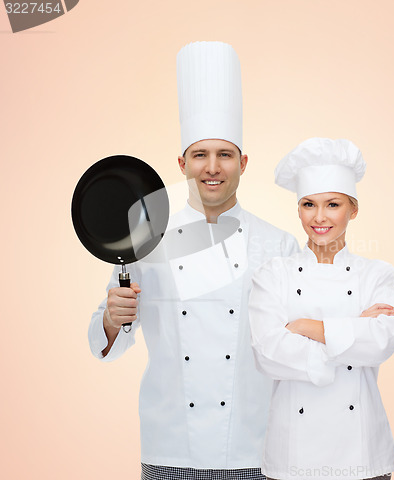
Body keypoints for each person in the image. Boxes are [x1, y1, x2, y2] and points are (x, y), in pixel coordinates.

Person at [88, 41, 299, 480]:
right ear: (182, 163)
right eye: (200, 155)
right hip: (170, 447)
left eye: (224, 155)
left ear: (243, 163)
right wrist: (113, 318)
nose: (212, 167)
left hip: (255, 448)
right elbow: (109, 342)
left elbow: (298, 346)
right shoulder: (148, 239)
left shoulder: (277, 245)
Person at [248, 138, 394, 480]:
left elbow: (382, 342)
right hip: (293, 457)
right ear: (299, 209)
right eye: (309, 204)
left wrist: (305, 326)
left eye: (332, 204)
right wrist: (352, 331)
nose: (319, 217)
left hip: (362, 454)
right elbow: (267, 354)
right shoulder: (273, 274)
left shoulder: (377, 273)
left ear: (353, 209)